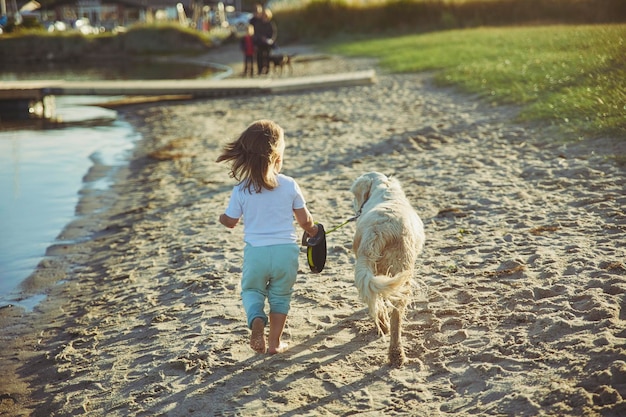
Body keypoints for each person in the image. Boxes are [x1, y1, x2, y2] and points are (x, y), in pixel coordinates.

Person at [216, 120, 319, 354]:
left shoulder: (241, 189)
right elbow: (305, 221)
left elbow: (231, 221)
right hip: (286, 252)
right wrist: (313, 231)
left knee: (252, 291)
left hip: (257, 253)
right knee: (281, 296)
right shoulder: (290, 184)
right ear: (277, 158)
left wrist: (223, 218)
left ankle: (256, 319)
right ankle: (274, 344)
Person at [253, 8, 276, 75]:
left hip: (268, 43)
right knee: (259, 57)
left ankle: (267, 69)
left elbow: (273, 33)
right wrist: (260, 38)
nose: (264, 17)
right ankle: (260, 70)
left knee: (267, 56)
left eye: (266, 15)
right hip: (260, 43)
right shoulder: (258, 24)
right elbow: (256, 33)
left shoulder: (270, 24)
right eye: (263, 15)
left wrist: (270, 39)